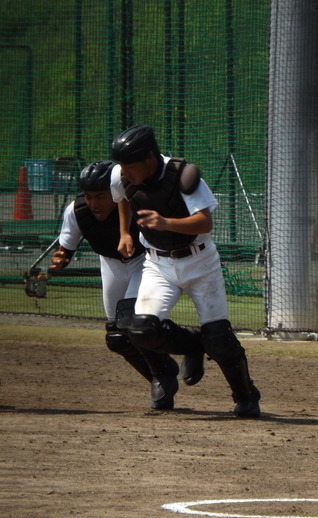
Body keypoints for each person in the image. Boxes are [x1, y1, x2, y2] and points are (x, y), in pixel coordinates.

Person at [110, 124, 261, 417]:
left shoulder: (183, 176)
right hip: (158, 263)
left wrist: (165, 223)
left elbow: (204, 223)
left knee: (218, 337)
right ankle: (193, 346)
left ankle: (246, 396)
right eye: (121, 167)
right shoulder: (122, 175)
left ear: (149, 158)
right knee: (141, 328)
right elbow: (121, 199)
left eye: (129, 166)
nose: (124, 173)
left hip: (200, 262)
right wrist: (124, 234)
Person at [50, 160, 205, 410]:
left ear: (115, 194)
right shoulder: (76, 211)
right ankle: (160, 374)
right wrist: (59, 261)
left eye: (100, 196)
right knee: (116, 337)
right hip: (111, 264)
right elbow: (65, 249)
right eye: (88, 196)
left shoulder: (137, 204)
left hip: (144, 262)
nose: (93, 203)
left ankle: (192, 345)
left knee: (133, 320)